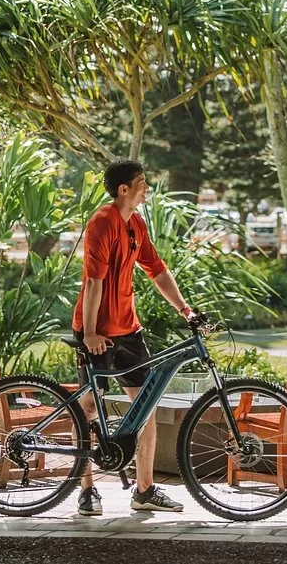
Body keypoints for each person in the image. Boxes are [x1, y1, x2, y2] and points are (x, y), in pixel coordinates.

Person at [73, 159, 194, 517]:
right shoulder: (102, 223)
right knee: (89, 408)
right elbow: (93, 281)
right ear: (123, 189)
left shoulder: (136, 224)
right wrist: (90, 332)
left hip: (129, 330)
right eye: (141, 183)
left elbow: (157, 269)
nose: (146, 189)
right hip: (96, 332)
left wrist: (185, 310)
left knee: (145, 408)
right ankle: (86, 490)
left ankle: (144, 490)